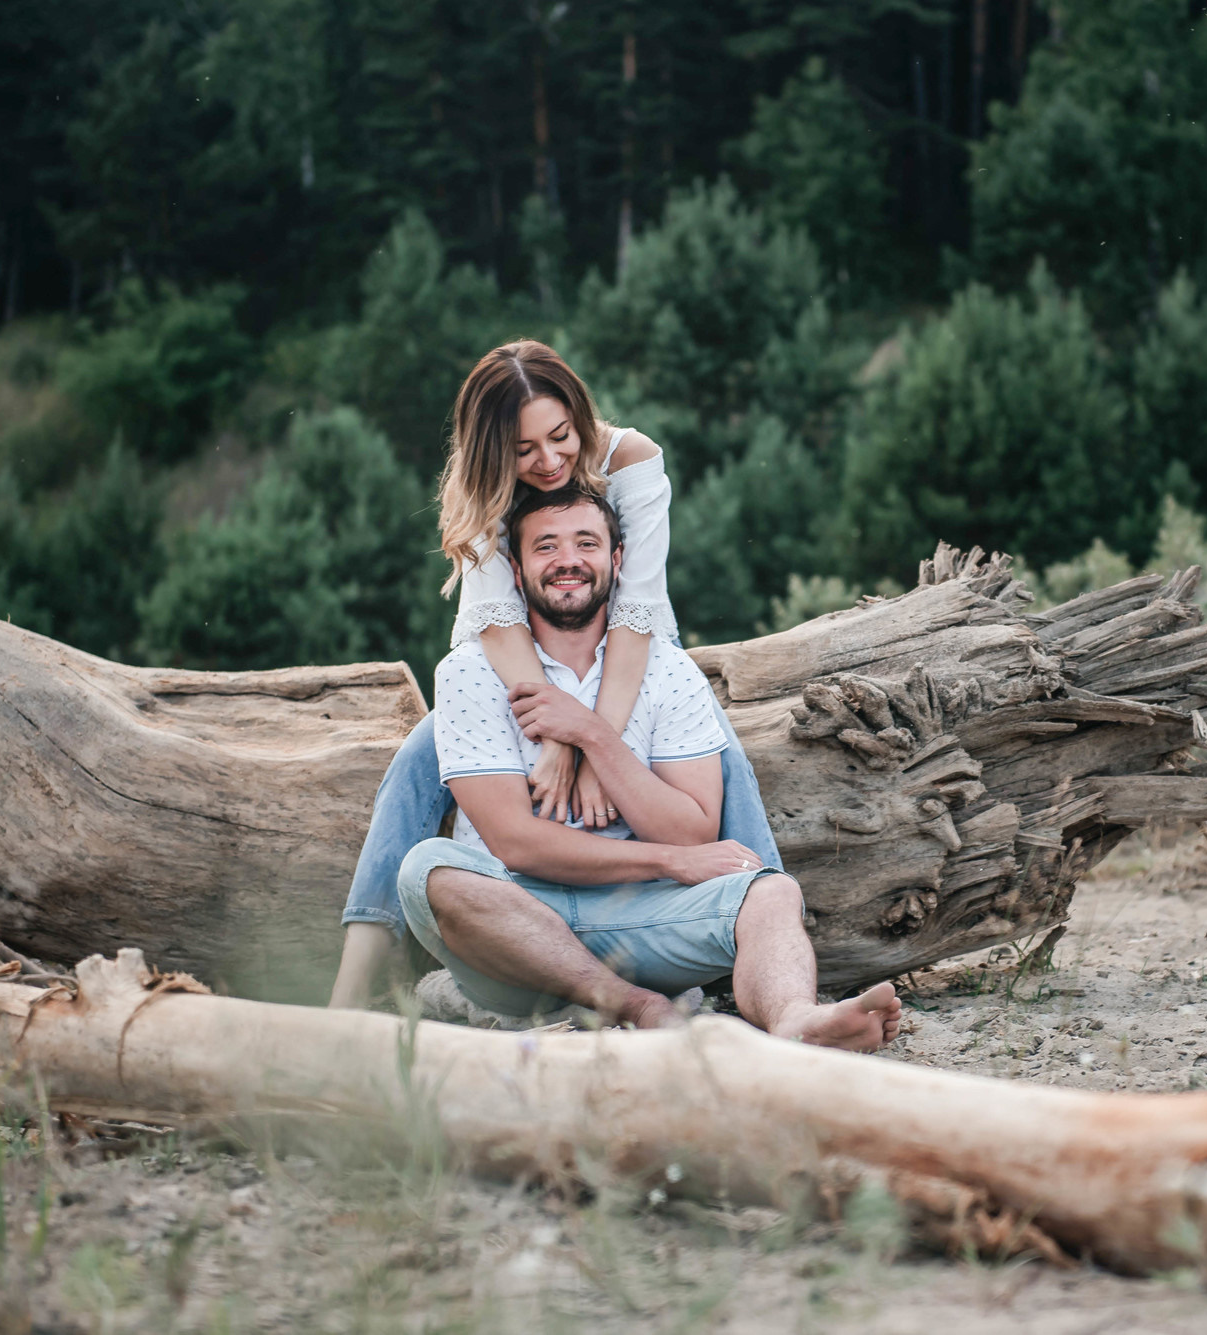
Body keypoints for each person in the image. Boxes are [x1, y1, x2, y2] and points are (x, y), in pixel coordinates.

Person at [329, 340, 780, 1008]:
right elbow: (499, 623)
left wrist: (599, 742)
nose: (548, 461)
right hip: (508, 657)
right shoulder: (479, 483)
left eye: (560, 437)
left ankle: (768, 925)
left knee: (723, 754)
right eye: (524, 449)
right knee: (415, 763)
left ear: (579, 415)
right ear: (493, 449)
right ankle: (356, 982)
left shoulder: (632, 459)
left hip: (624, 646)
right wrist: (556, 738)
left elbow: (636, 611)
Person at [398, 480, 900, 1049]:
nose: (568, 561)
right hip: (514, 931)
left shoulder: (666, 669)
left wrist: (593, 735)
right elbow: (515, 843)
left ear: (616, 560)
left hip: (640, 921)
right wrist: (669, 860)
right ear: (516, 570)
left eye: (586, 543)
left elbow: (692, 827)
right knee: (429, 870)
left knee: (772, 893)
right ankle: (638, 1007)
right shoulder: (469, 671)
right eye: (546, 547)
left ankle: (796, 1022)